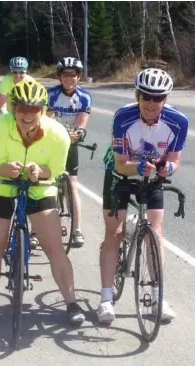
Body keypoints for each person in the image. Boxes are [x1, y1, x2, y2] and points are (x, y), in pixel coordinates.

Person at [0, 79, 85, 327]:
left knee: (53, 245)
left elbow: (55, 170)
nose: (27, 116)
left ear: (43, 110)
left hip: (40, 186)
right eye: (21, 109)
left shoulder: (58, 135)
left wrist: (39, 171)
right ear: (12, 108)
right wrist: (5, 168)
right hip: (1, 181)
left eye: (34, 110)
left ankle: (71, 301)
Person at [99, 68, 188, 324]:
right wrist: (137, 168)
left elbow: (174, 159)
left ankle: (159, 296)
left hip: (152, 177)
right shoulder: (123, 117)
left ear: (165, 99)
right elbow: (119, 163)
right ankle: (106, 298)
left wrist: (167, 168)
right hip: (120, 174)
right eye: (146, 96)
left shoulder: (179, 122)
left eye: (157, 98)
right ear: (137, 95)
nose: (151, 103)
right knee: (113, 233)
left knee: (156, 233)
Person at [47, 57, 92, 247]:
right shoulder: (50, 94)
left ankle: (77, 230)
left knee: (72, 186)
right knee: (42, 184)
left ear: (78, 77)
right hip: (51, 142)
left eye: (72, 75)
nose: (69, 78)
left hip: (71, 142)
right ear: (59, 76)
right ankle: (35, 230)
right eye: (65, 74)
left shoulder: (84, 97)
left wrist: (78, 133)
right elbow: (46, 119)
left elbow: (82, 122)